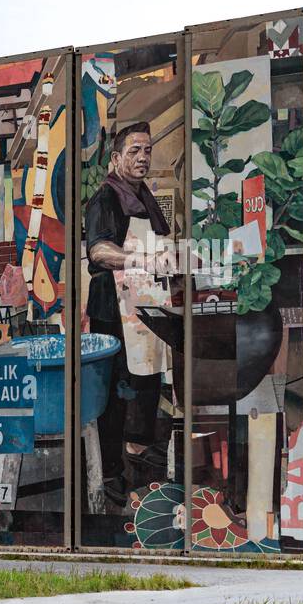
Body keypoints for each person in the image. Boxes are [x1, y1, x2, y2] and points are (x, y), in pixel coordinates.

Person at [83, 121, 174, 505]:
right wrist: (145, 258)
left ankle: (140, 468)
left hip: (146, 308)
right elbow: (99, 252)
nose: (143, 157)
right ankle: (113, 477)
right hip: (112, 311)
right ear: (117, 158)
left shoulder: (147, 200)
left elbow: (164, 244)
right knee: (117, 395)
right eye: (135, 151)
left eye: (147, 150)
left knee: (147, 389)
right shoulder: (105, 198)